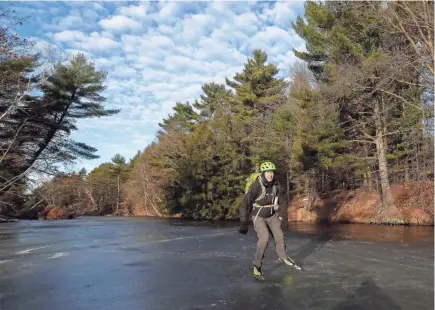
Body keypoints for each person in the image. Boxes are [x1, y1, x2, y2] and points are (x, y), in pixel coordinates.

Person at [238, 161, 301, 280]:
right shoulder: (256, 186)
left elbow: (281, 202)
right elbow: (244, 204)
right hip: (258, 216)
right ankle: (257, 265)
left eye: (272, 172)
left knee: (280, 236)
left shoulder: (276, 185)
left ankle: (283, 257)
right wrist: (243, 222)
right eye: (268, 173)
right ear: (263, 173)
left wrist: (284, 217)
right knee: (264, 239)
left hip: (271, 215)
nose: (270, 175)